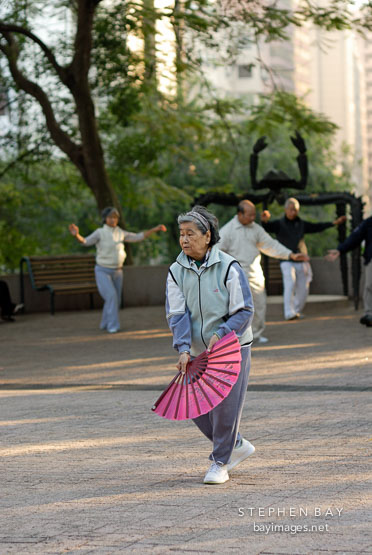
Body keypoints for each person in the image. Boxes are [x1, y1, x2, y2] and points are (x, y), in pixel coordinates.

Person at [166, 205, 255, 485]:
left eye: (190, 234)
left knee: (226, 407)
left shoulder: (229, 266)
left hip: (232, 346)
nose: (184, 239)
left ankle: (220, 462)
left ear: (207, 236)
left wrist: (223, 332)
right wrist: (183, 348)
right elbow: (177, 314)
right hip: (199, 351)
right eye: (181, 234)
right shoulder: (175, 271)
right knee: (194, 405)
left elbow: (244, 310)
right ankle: (236, 444)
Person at [219, 200, 308, 344]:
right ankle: (237, 338)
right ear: (240, 214)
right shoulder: (227, 230)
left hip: (255, 274)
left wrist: (290, 255)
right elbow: (216, 252)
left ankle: (256, 334)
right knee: (237, 309)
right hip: (235, 275)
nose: (253, 218)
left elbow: (270, 245)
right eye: (250, 215)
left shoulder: (256, 229)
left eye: (254, 215)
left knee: (259, 305)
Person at [69, 207, 166, 333]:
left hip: (117, 271)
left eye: (115, 217)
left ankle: (104, 323)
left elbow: (138, 237)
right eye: (110, 217)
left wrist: (154, 229)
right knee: (111, 296)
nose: (113, 219)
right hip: (102, 270)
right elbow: (86, 241)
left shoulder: (120, 232)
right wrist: (76, 235)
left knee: (115, 299)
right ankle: (113, 326)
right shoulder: (100, 232)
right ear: (105, 219)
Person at [261, 197, 346, 320]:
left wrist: (333, 223)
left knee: (304, 287)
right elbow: (267, 227)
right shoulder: (279, 224)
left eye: (295, 210)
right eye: (290, 210)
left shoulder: (301, 224)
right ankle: (288, 312)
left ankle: (295, 310)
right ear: (285, 210)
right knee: (290, 283)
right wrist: (264, 221)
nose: (293, 212)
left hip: (301, 259)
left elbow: (317, 226)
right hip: (286, 260)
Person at [326, 215, 372, 327]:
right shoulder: (369, 222)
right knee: (370, 286)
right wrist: (340, 249)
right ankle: (370, 314)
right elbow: (355, 237)